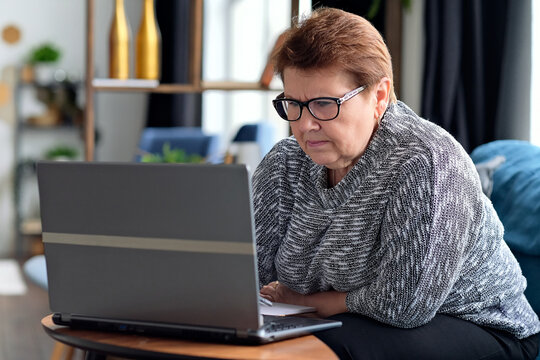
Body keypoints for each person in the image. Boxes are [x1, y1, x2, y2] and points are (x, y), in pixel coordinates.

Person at [253, 7, 540, 360]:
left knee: (325, 350)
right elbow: (249, 277)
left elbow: (405, 305)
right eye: (294, 104)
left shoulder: (427, 161)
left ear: (378, 96)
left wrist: (313, 303)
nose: (305, 124)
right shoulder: (285, 163)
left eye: (324, 104)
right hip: (349, 319)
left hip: (481, 325)